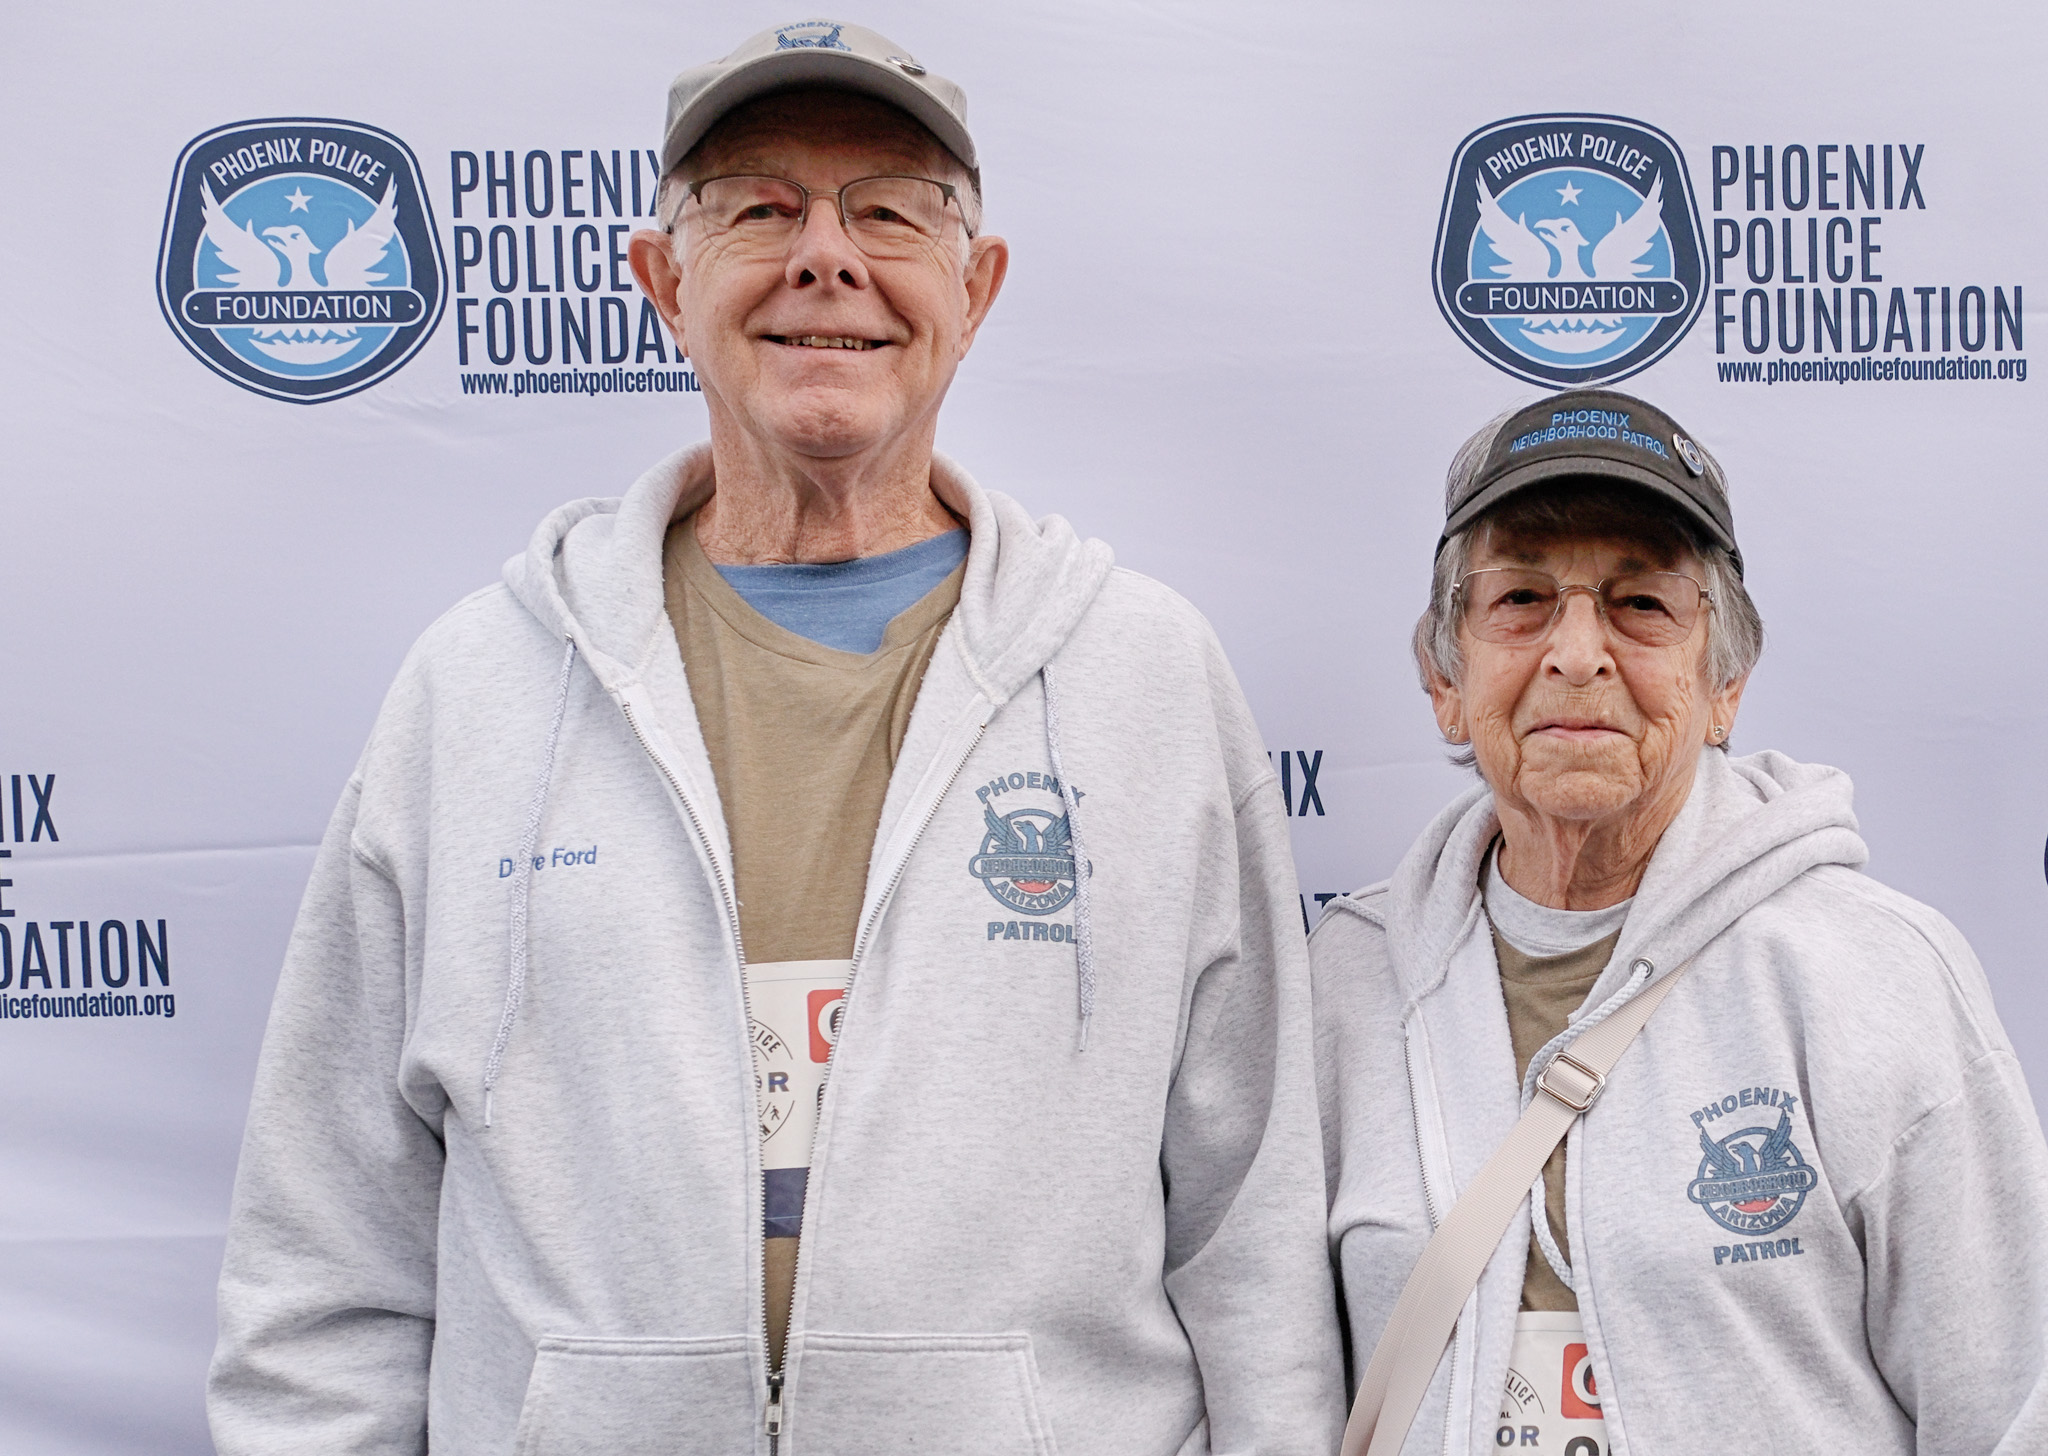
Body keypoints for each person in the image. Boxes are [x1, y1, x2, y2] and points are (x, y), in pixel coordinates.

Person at [206, 18, 1343, 1456]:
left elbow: (1251, 1237)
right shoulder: (475, 690)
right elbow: (325, 1255)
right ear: (662, 281)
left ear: (976, 289)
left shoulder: (1145, 678)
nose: (825, 257)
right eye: (758, 208)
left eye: (890, 211)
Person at [1314, 389, 2048, 1455]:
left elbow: (2015, 1403)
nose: (1576, 653)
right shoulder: (1345, 983)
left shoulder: (1872, 973)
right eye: (1520, 597)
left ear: (1724, 684)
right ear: (1443, 678)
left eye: (1640, 604)